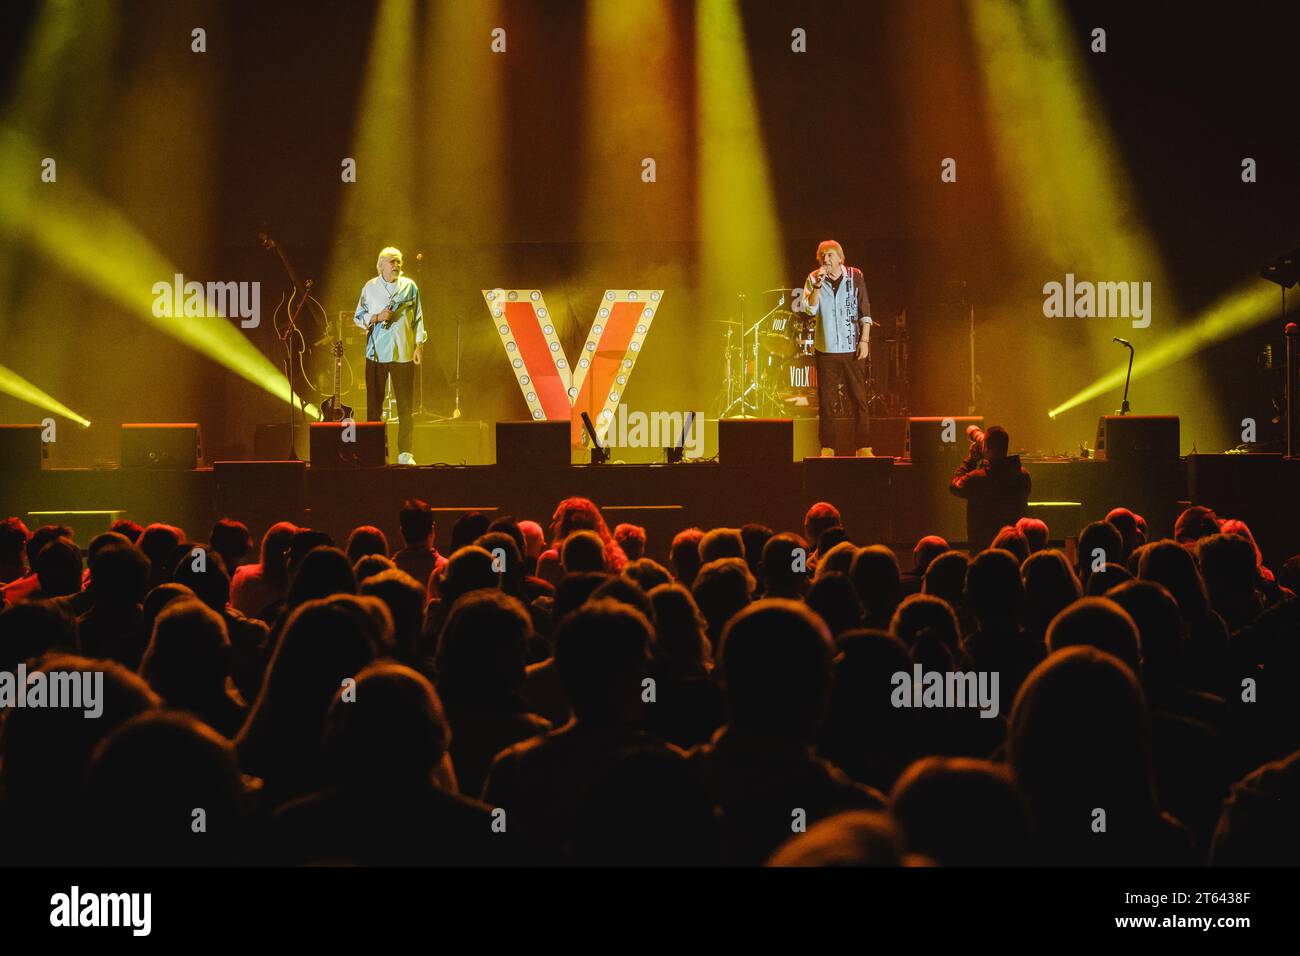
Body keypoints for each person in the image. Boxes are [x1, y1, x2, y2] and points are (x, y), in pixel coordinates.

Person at [353, 246, 426, 465]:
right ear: (381, 264)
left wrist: (418, 345)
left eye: (399, 261)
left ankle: (405, 452)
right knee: (374, 406)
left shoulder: (409, 286)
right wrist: (376, 316)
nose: (397, 265)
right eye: (393, 261)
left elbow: (419, 318)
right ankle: (373, 452)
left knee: (405, 406)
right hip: (376, 354)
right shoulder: (370, 287)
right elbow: (358, 316)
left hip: (403, 352)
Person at [802, 240, 874, 457]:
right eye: (823, 255)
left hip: (852, 346)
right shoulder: (813, 278)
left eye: (831, 254)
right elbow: (809, 310)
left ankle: (863, 446)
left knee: (859, 398)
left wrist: (865, 341)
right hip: (827, 349)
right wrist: (816, 286)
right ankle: (828, 446)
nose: (827, 259)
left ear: (841, 257)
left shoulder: (855, 275)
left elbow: (865, 309)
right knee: (827, 401)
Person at [949, 424, 1031, 552]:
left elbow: (954, 486)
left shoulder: (977, 479)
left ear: (985, 447)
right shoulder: (1023, 475)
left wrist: (971, 460)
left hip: (982, 547)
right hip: (1014, 545)